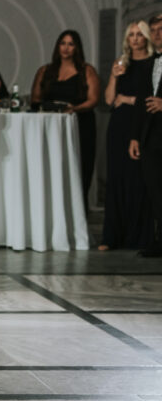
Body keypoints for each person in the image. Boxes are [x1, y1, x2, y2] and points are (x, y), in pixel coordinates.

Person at [31, 30, 101, 208]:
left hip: (80, 125)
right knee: (53, 172)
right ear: (57, 46)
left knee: (79, 172)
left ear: (77, 48)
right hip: (51, 128)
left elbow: (93, 100)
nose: (66, 48)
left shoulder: (87, 70)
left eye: (71, 44)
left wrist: (73, 109)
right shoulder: (45, 70)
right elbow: (35, 99)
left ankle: (79, 216)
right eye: (63, 43)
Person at [100, 21, 154, 250]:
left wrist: (129, 99)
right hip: (118, 126)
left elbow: (149, 98)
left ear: (146, 38)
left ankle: (138, 237)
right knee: (116, 180)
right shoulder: (122, 63)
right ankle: (111, 237)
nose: (134, 39)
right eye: (131, 34)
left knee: (138, 181)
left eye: (139, 34)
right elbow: (109, 100)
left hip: (141, 124)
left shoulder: (154, 64)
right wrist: (113, 76)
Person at [129, 13, 162, 258]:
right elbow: (142, 101)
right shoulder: (151, 62)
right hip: (151, 134)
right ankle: (159, 240)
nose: (158, 33)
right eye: (154, 29)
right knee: (154, 189)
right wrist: (135, 137)